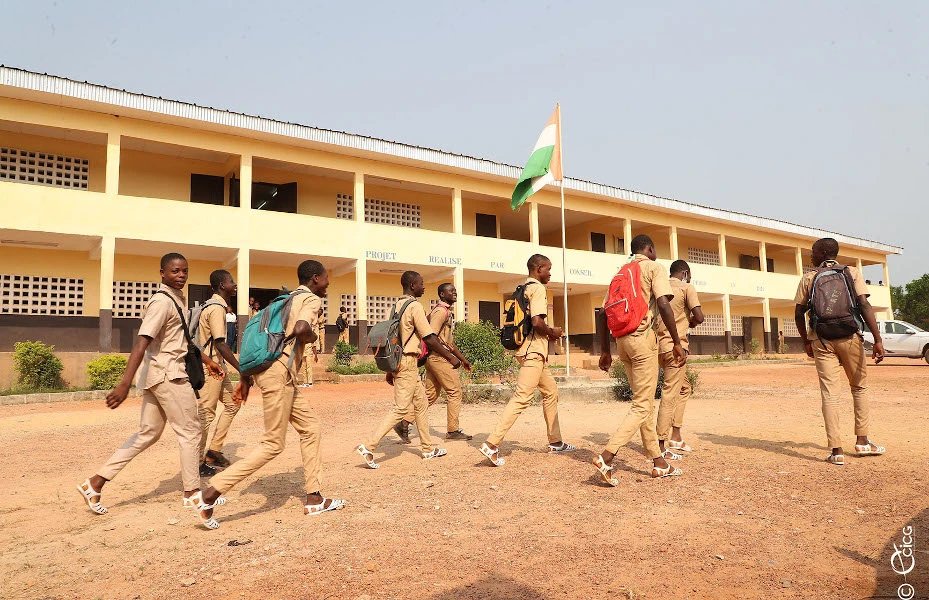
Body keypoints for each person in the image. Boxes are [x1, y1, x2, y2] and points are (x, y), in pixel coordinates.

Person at [76, 253, 226, 529]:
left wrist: (207, 361)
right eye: (175, 271)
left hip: (157, 375)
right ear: (162, 273)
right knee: (191, 431)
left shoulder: (175, 299)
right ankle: (193, 493)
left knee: (148, 434)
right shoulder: (161, 302)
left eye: (184, 271)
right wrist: (124, 382)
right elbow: (142, 342)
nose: (181, 275)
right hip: (169, 375)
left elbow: (182, 341)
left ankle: (95, 483)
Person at [201, 260, 346, 516]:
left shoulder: (286, 299)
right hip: (280, 374)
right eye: (325, 278)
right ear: (315, 278)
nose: (328, 283)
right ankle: (212, 491)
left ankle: (314, 497)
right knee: (273, 444)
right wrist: (313, 337)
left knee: (310, 428)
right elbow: (302, 329)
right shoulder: (310, 300)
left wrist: (246, 377)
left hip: (276, 373)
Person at [594, 235, 686, 487]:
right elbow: (664, 304)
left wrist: (605, 351)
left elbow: (602, 314)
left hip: (622, 342)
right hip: (642, 339)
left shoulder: (620, 273)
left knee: (643, 404)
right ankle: (606, 457)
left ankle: (659, 462)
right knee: (642, 405)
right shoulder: (653, 268)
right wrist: (676, 342)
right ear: (650, 249)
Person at [794, 237, 886, 466]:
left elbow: (798, 313)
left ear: (822, 253)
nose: (811, 255)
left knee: (829, 393)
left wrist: (806, 341)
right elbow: (864, 305)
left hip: (822, 340)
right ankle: (862, 441)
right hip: (850, 337)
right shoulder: (851, 272)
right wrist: (877, 339)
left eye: (813, 252)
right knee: (859, 387)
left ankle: (836, 450)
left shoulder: (809, 277)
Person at [356, 271, 462, 469]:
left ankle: (427, 449)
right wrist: (451, 357)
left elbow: (394, 338)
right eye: (421, 283)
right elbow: (429, 337)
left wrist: (391, 368)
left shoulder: (397, 305)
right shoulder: (414, 306)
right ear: (413, 285)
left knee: (421, 404)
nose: (424, 287)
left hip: (402, 361)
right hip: (407, 362)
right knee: (401, 408)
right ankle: (368, 446)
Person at [480, 254, 576, 467]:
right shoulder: (538, 289)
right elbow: (537, 322)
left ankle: (556, 441)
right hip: (533, 351)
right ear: (539, 268)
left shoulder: (523, 288)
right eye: (548, 269)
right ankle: (491, 444)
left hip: (529, 351)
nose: (550, 274)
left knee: (551, 391)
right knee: (522, 397)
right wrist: (553, 332)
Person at [393, 283, 474, 443]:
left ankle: (404, 423)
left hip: (436, 358)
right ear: (442, 294)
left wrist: (463, 359)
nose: (455, 292)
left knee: (429, 395)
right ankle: (453, 431)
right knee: (455, 391)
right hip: (438, 358)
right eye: (451, 291)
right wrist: (450, 358)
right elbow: (431, 337)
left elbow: (448, 342)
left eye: (455, 290)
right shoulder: (440, 312)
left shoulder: (446, 312)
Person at [655, 260, 704, 457]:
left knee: (684, 388)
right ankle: (660, 445)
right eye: (689, 275)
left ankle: (676, 435)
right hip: (676, 348)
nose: (690, 278)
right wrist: (690, 323)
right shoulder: (686, 288)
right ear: (684, 273)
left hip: (658, 348)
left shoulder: (660, 287)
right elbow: (699, 316)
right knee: (669, 394)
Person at [198, 270, 244, 474]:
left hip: (218, 365)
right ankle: (197, 462)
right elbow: (221, 344)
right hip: (211, 367)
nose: (235, 285)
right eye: (231, 282)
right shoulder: (216, 308)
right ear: (222, 285)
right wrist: (242, 370)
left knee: (233, 403)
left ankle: (213, 452)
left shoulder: (215, 306)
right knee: (206, 414)